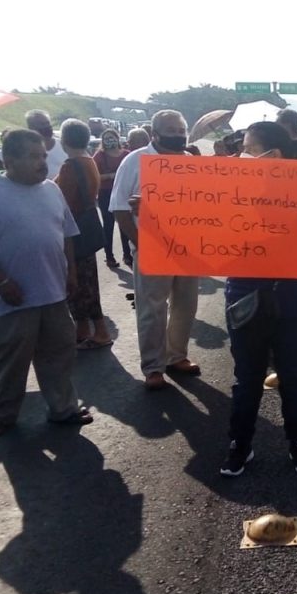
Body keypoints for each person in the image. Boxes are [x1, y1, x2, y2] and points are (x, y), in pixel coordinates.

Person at [221, 121, 297, 477]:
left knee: (292, 375)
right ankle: (239, 445)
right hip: (244, 297)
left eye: (247, 147)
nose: (240, 154)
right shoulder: (229, 191)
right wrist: (152, 211)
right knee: (247, 376)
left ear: (272, 155)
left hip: (294, 301)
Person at [0, 129, 93, 437]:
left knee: (58, 355)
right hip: (14, 296)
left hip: (54, 292)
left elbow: (67, 235)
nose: (42, 163)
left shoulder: (51, 189)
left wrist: (70, 273)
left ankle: (64, 409)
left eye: (43, 155)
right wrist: (2, 280)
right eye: (33, 157)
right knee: (10, 360)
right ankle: (1, 416)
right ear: (9, 159)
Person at [110, 110, 201, 391]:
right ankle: (153, 366)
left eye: (180, 129)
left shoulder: (191, 163)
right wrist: (142, 242)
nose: (177, 135)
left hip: (187, 248)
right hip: (151, 248)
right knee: (151, 308)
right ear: (155, 134)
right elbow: (120, 209)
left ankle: (177, 356)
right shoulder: (135, 161)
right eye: (170, 130)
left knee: (186, 304)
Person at [56, 119, 113, 349]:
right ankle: (86, 330)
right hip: (86, 227)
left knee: (79, 283)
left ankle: (97, 331)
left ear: (64, 140)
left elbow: (64, 203)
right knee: (88, 281)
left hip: (74, 231)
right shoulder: (89, 161)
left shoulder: (70, 166)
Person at [92, 128, 132, 268]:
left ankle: (128, 255)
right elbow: (94, 176)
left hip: (124, 193)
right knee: (108, 225)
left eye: (112, 137)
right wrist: (110, 176)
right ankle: (109, 257)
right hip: (106, 193)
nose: (110, 140)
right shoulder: (99, 156)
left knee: (125, 224)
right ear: (103, 141)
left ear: (118, 138)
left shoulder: (127, 154)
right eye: (107, 138)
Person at [25, 110, 67, 179]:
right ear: (31, 128)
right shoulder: (24, 148)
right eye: (42, 124)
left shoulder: (64, 145)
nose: (46, 126)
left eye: (47, 123)